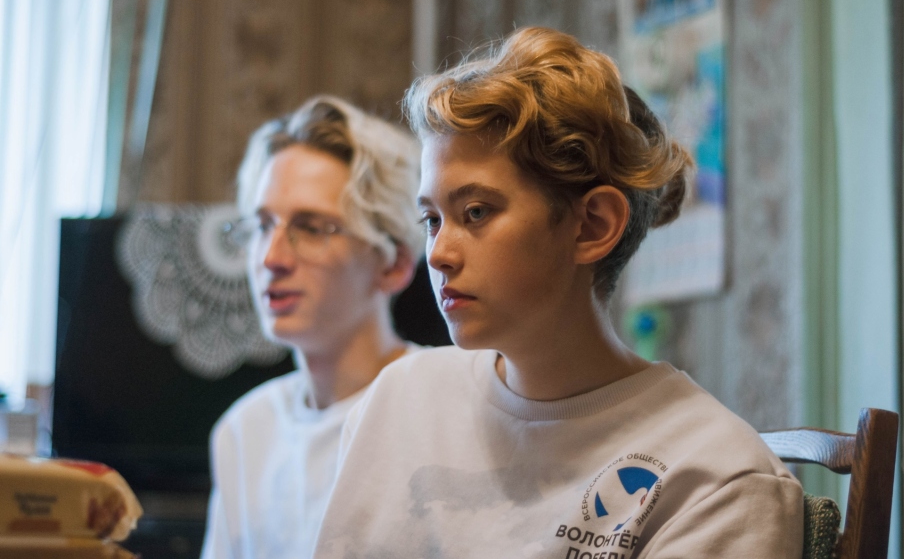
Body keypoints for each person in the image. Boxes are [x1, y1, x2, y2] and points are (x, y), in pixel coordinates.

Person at [311, 28, 803, 558]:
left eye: (475, 212)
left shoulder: (714, 480)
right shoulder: (396, 401)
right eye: (432, 220)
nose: (438, 254)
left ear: (593, 225)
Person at [200, 95, 425, 559]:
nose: (271, 258)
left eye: (312, 227)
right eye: (263, 225)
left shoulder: (441, 408)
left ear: (394, 263)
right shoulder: (245, 432)